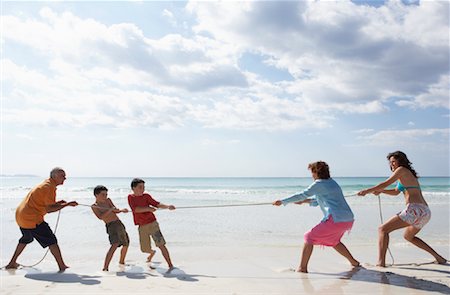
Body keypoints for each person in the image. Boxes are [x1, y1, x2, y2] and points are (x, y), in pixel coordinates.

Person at [357, 151, 447, 267]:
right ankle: (439, 258)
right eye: (390, 162)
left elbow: (385, 183)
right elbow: (395, 192)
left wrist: (366, 191)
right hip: (424, 212)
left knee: (382, 229)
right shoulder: (405, 174)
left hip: (415, 209)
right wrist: (381, 191)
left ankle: (381, 263)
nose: (392, 164)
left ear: (401, 161)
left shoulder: (401, 170)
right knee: (408, 236)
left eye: (394, 161)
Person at [273, 161, 359, 273]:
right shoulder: (332, 182)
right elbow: (320, 201)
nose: (311, 175)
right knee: (334, 241)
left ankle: (302, 268)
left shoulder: (319, 184)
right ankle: (354, 262)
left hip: (336, 219)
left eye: (312, 172)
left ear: (316, 172)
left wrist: (282, 201)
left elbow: (302, 194)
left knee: (308, 237)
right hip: (348, 219)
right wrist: (304, 202)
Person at [5, 167, 78, 271]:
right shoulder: (49, 187)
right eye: (62, 176)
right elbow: (49, 209)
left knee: (26, 238)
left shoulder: (46, 184)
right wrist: (67, 205)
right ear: (55, 176)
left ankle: (12, 263)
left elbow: (45, 204)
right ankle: (62, 266)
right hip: (31, 218)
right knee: (52, 240)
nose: (65, 178)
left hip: (21, 216)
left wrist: (59, 203)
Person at [127, 178, 176, 269]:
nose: (143, 189)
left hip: (153, 223)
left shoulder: (146, 196)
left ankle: (170, 265)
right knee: (144, 249)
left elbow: (157, 204)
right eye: (140, 187)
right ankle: (151, 252)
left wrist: (168, 206)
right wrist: (148, 209)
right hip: (142, 226)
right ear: (133, 188)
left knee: (161, 244)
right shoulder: (131, 197)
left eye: (143, 187)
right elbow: (136, 209)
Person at [91, 185, 130, 271]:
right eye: (103, 194)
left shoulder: (108, 200)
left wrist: (122, 210)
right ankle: (105, 267)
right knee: (114, 245)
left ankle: (121, 261)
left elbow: (115, 210)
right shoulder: (94, 206)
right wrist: (109, 210)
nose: (105, 196)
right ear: (96, 195)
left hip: (119, 223)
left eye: (106, 194)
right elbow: (100, 217)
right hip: (111, 225)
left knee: (126, 244)